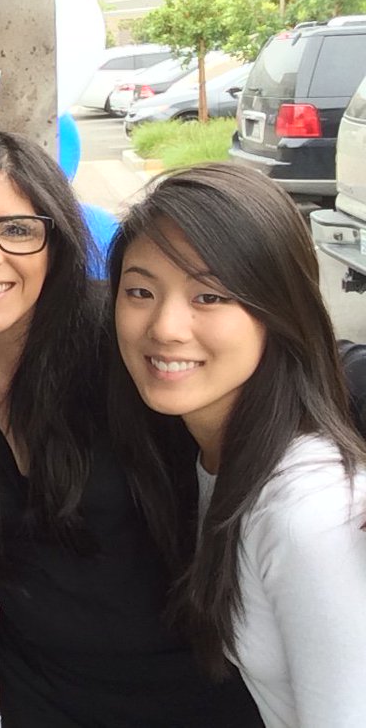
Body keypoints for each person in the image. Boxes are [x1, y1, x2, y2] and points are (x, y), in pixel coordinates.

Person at [0, 128, 262, 727]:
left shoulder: (121, 333)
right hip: (44, 689)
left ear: (54, 242)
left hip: (194, 681)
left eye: (17, 229)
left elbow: (312, 367)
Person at [107, 163, 366, 728]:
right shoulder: (209, 458)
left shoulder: (309, 513)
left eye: (210, 296)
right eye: (141, 290)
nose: (166, 327)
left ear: (278, 310)